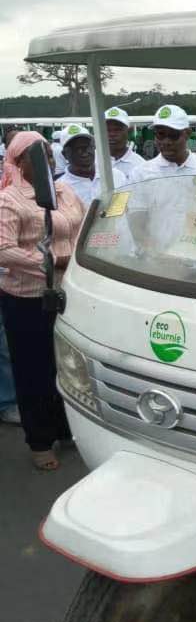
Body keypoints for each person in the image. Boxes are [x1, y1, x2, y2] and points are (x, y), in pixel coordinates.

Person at [0, 132, 84, 470]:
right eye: (38, 155)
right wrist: (50, 264)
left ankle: (66, 428)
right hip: (27, 299)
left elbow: (80, 227)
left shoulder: (64, 191)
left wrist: (79, 258)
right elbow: (4, 249)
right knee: (34, 371)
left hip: (69, 293)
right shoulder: (9, 199)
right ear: (20, 162)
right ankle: (39, 441)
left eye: (49, 154)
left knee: (68, 366)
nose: (47, 160)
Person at [127, 104, 196, 252]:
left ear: (187, 134)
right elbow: (137, 224)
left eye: (174, 135)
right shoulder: (140, 174)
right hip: (157, 264)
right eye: (160, 134)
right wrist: (157, 256)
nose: (166, 141)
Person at [58, 123, 127, 207]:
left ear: (94, 147)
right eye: (77, 149)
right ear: (65, 154)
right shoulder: (60, 189)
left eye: (88, 147)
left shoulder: (115, 176)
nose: (85, 152)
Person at [104, 106, 147, 179]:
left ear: (128, 131)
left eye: (117, 130)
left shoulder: (140, 165)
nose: (112, 134)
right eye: (107, 130)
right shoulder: (91, 161)